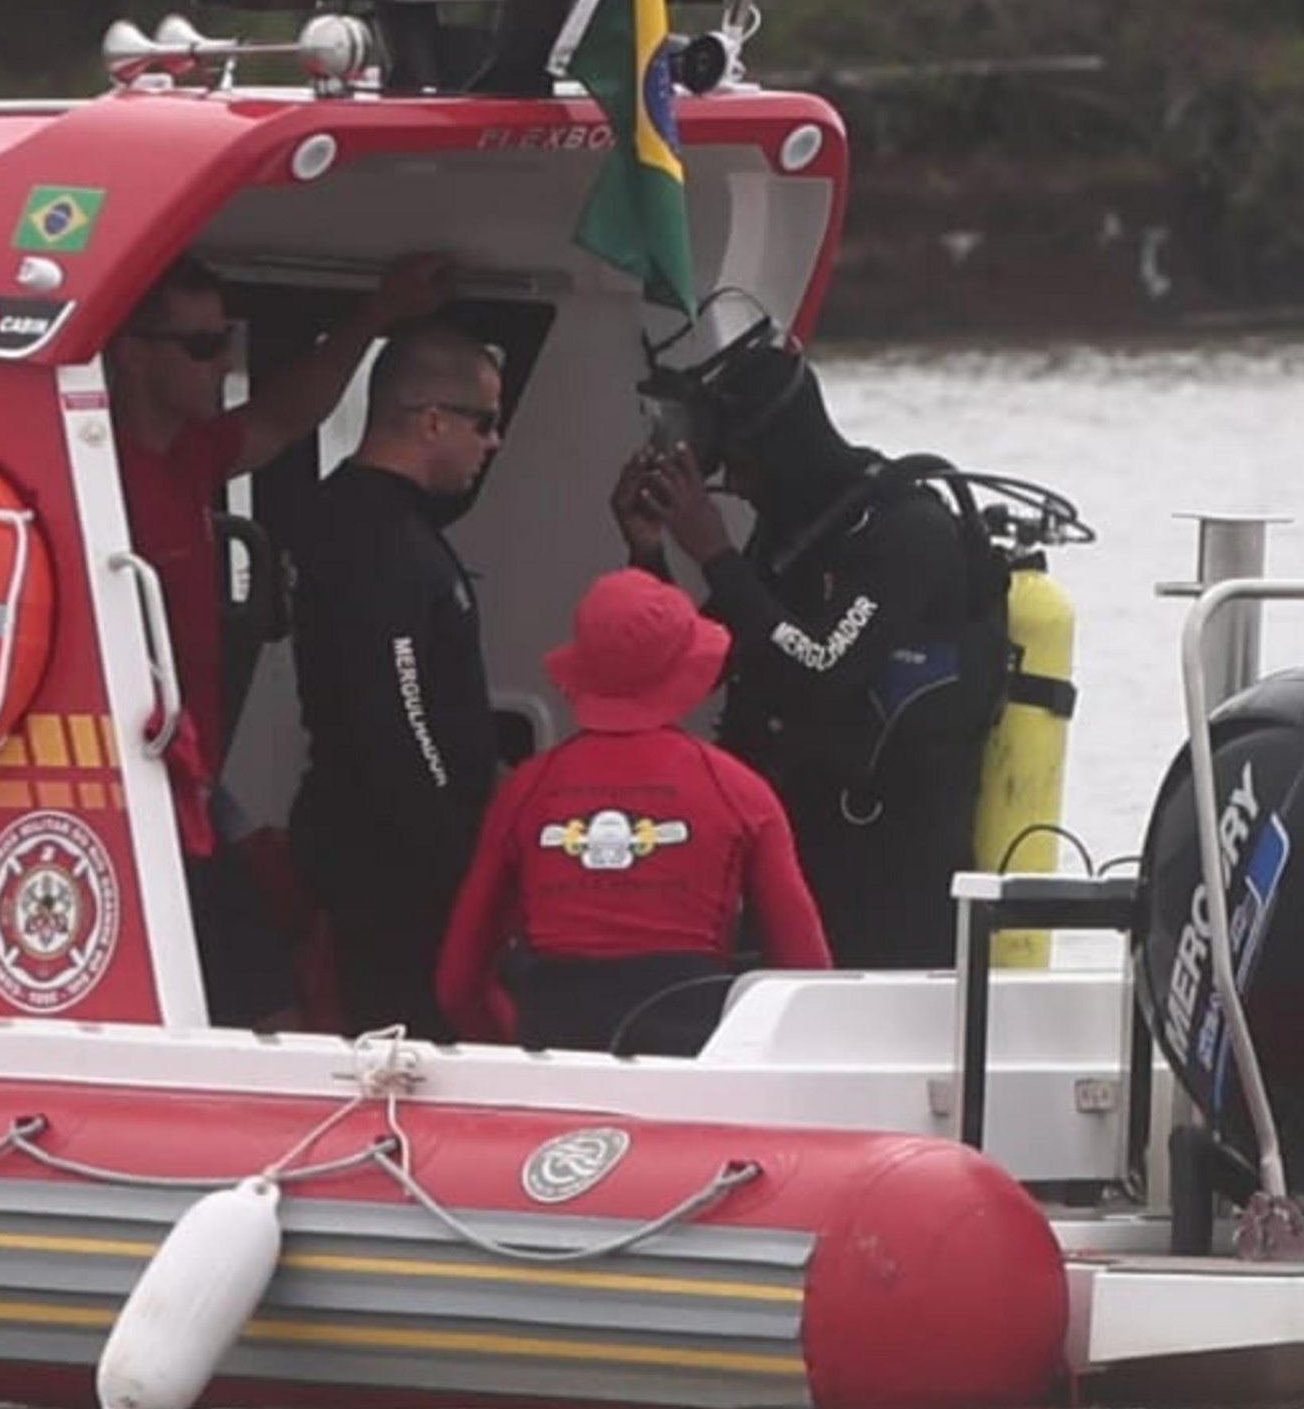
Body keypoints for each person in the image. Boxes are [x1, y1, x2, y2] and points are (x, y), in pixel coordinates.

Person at [109, 253, 448, 1026]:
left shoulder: (183, 460)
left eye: (224, 337)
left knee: (262, 983)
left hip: (192, 782)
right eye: (200, 346)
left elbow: (280, 419)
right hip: (139, 796)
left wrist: (377, 311)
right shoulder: (105, 477)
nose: (222, 361)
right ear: (131, 353)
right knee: (263, 1000)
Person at [612, 336, 1005, 968]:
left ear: (779, 448)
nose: (732, 486)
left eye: (737, 465)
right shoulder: (796, 531)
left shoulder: (906, 532)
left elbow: (823, 669)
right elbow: (692, 664)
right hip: (787, 845)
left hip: (885, 873)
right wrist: (648, 550)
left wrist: (716, 555)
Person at [435, 570, 832, 1053]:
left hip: (553, 1064)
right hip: (694, 1066)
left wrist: (520, 1051)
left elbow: (458, 985)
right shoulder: (739, 791)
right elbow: (808, 981)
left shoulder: (524, 790)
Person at [279, 322, 510, 1039]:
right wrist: (456, 847)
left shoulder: (380, 521)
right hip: (390, 861)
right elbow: (399, 712)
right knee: (405, 1029)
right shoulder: (377, 536)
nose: (492, 443)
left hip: (387, 840)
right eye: (484, 423)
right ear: (432, 421)